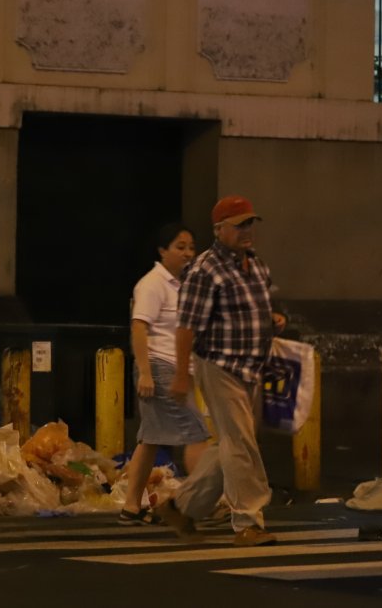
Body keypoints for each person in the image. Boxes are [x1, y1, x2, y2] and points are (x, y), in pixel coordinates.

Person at [154, 195, 282, 547]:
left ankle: (181, 506)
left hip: (250, 368)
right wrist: (183, 374)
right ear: (219, 229)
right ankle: (247, 522)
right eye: (239, 224)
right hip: (219, 366)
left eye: (249, 223)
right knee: (241, 443)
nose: (247, 231)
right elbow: (187, 327)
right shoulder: (206, 270)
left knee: (231, 444)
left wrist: (274, 319)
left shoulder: (255, 265)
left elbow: (263, 305)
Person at [119, 223, 209, 526]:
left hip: (172, 367)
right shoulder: (153, 283)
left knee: (151, 437)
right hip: (160, 368)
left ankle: (131, 507)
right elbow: (139, 327)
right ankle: (203, 501)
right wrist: (145, 373)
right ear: (162, 251)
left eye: (191, 247)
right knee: (197, 432)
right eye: (179, 247)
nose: (187, 253)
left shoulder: (182, 285)